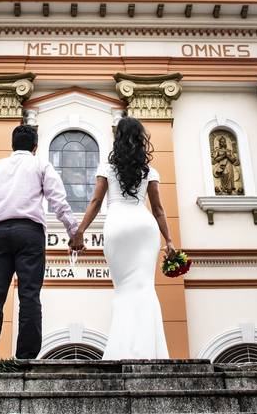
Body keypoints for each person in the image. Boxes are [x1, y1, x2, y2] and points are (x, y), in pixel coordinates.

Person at [0, 124, 81, 359]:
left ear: (12, 145)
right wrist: (74, 232)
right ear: (35, 146)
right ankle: (26, 356)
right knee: (29, 294)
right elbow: (58, 200)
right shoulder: (41, 164)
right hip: (29, 234)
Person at [71, 116, 173, 359]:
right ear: (141, 139)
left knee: (124, 290)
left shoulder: (107, 169)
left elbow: (96, 202)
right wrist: (169, 240)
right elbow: (158, 209)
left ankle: (122, 348)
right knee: (145, 287)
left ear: (118, 139)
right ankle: (150, 349)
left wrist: (80, 231)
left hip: (117, 227)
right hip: (144, 226)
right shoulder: (150, 171)